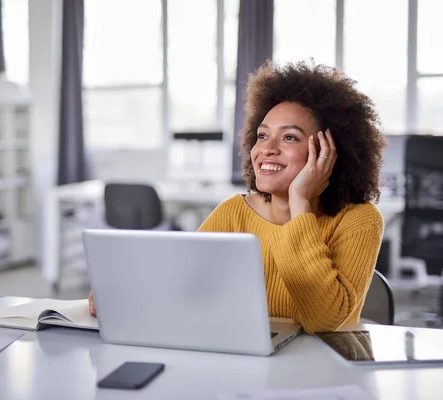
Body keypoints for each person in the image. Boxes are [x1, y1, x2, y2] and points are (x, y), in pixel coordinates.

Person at [89, 60, 386, 334]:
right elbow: (181, 283)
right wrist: (123, 290)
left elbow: (323, 320)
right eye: (262, 135)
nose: (267, 149)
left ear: (328, 152)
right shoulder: (234, 213)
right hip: (243, 372)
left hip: (323, 379)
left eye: (290, 137)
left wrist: (300, 201)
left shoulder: (359, 220)